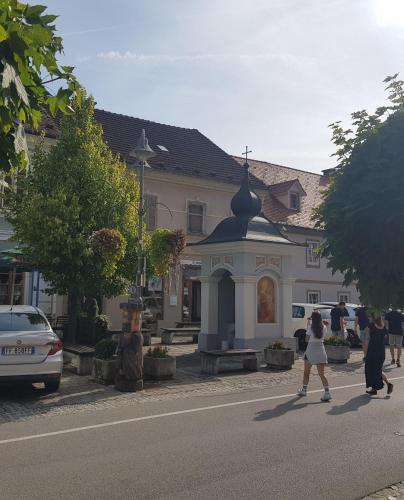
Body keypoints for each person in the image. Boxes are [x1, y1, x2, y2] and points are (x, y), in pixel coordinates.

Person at [297, 311, 331, 402]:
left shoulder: (310, 327)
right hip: (320, 349)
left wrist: (308, 323)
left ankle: (304, 390)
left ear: (313, 318)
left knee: (306, 372)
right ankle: (327, 392)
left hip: (311, 349)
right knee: (322, 374)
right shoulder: (323, 327)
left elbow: (307, 339)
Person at [365, 316, 393, 396]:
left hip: (372, 350)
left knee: (371, 370)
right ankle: (376, 388)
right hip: (381, 351)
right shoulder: (384, 326)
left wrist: (366, 352)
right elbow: (385, 337)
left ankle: (385, 385)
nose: (369, 318)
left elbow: (366, 338)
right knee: (377, 370)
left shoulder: (371, 325)